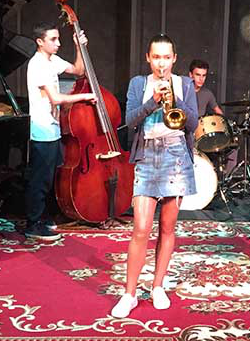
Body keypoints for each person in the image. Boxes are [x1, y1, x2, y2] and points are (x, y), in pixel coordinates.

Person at [110, 34, 199, 318]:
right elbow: (129, 121)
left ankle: (158, 286)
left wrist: (175, 97)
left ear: (174, 59)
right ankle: (129, 294)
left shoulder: (185, 84)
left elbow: (193, 123)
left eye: (166, 57)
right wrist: (153, 100)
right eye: (156, 57)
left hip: (176, 156)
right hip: (147, 155)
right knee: (141, 228)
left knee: (168, 228)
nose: (162, 63)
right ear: (148, 58)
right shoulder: (138, 84)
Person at [25, 23, 96, 241]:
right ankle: (32, 224)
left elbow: (79, 71)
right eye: (53, 39)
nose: (58, 43)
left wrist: (79, 46)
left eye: (58, 39)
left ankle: (43, 217)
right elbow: (55, 99)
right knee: (40, 179)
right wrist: (84, 96)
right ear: (40, 42)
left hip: (53, 127)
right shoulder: (37, 65)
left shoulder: (52, 60)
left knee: (49, 177)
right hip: (42, 128)